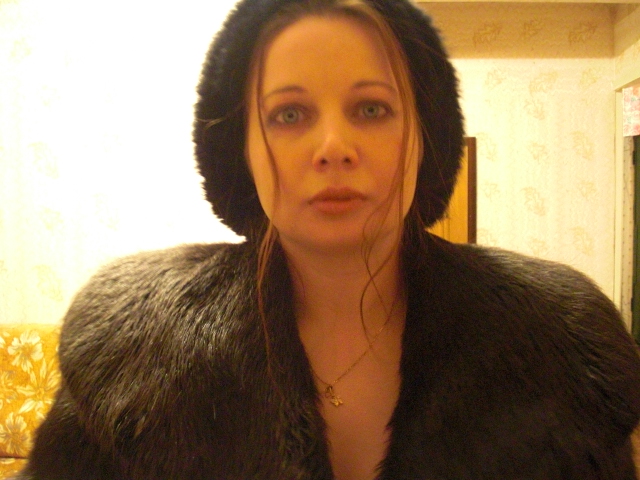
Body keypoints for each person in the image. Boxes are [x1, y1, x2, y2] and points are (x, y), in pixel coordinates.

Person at [16, 0, 640, 478]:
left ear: (425, 138)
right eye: (289, 114)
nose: (333, 148)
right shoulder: (136, 351)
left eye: (371, 109)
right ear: (240, 150)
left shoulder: (557, 348)